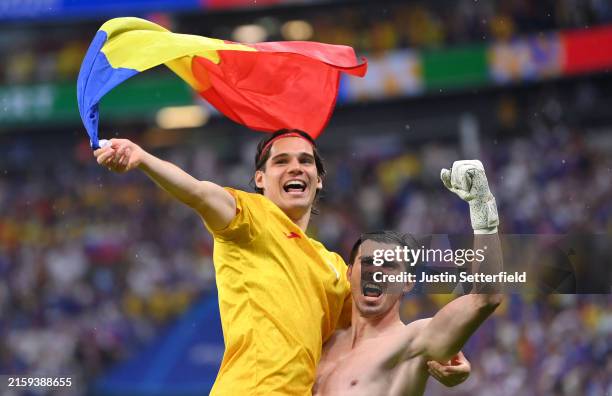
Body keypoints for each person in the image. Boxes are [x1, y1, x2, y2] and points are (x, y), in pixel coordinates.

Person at [93, 131, 473, 394]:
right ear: (259, 178)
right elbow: (199, 193)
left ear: (318, 181)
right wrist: (143, 159)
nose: (296, 167)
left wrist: (436, 354)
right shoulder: (250, 217)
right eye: (282, 161)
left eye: (306, 161)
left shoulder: (334, 267)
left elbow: (377, 328)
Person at [314, 160, 503, 396]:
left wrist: (482, 206)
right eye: (368, 262)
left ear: (407, 283)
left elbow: (485, 299)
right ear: (349, 273)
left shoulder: (412, 341)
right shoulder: (320, 340)